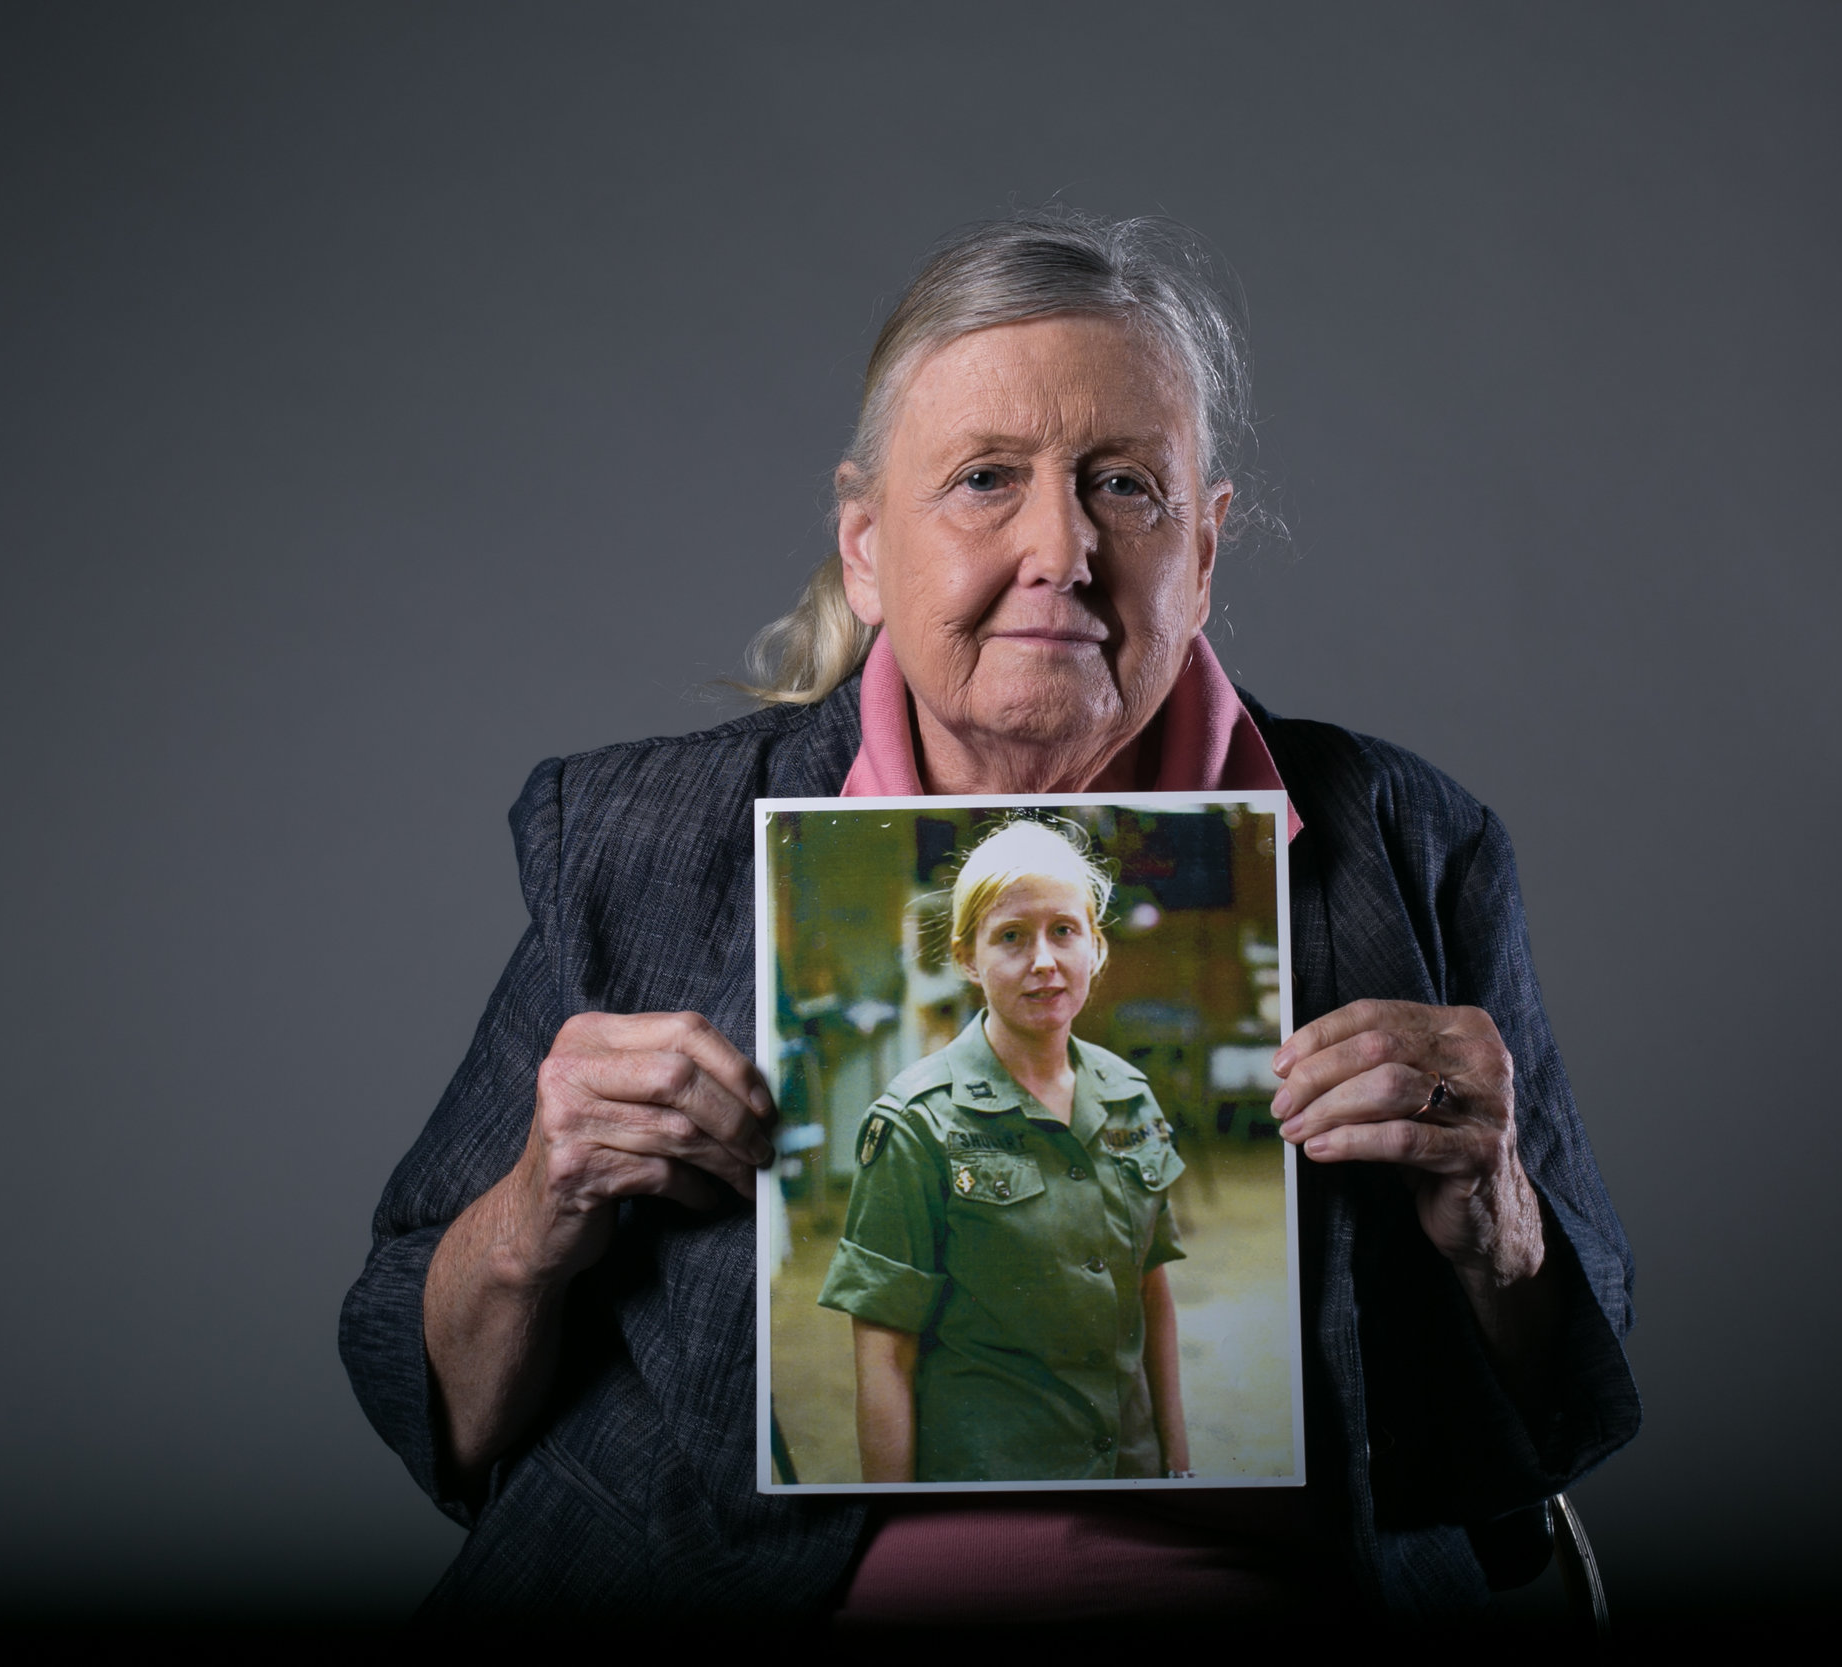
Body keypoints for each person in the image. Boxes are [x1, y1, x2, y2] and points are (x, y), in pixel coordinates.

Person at [340, 208, 1641, 1628]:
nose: (1061, 547)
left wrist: (1495, 1224)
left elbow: (1561, 1413)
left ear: (1203, 552)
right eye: (982, 479)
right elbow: (433, 1403)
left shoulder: (1408, 838)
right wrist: (541, 1203)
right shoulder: (640, 844)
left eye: (1126, 485)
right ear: (865, 545)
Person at [818, 817, 1192, 1484]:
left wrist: (1178, 1463)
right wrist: (900, 1527)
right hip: (988, 1485)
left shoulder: (1131, 1096)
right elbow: (884, 1356)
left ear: (1095, 945)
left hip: (1129, 1473)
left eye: (1064, 931)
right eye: (1012, 937)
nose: (1043, 961)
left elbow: (1149, 1289)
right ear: (967, 957)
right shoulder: (916, 1122)